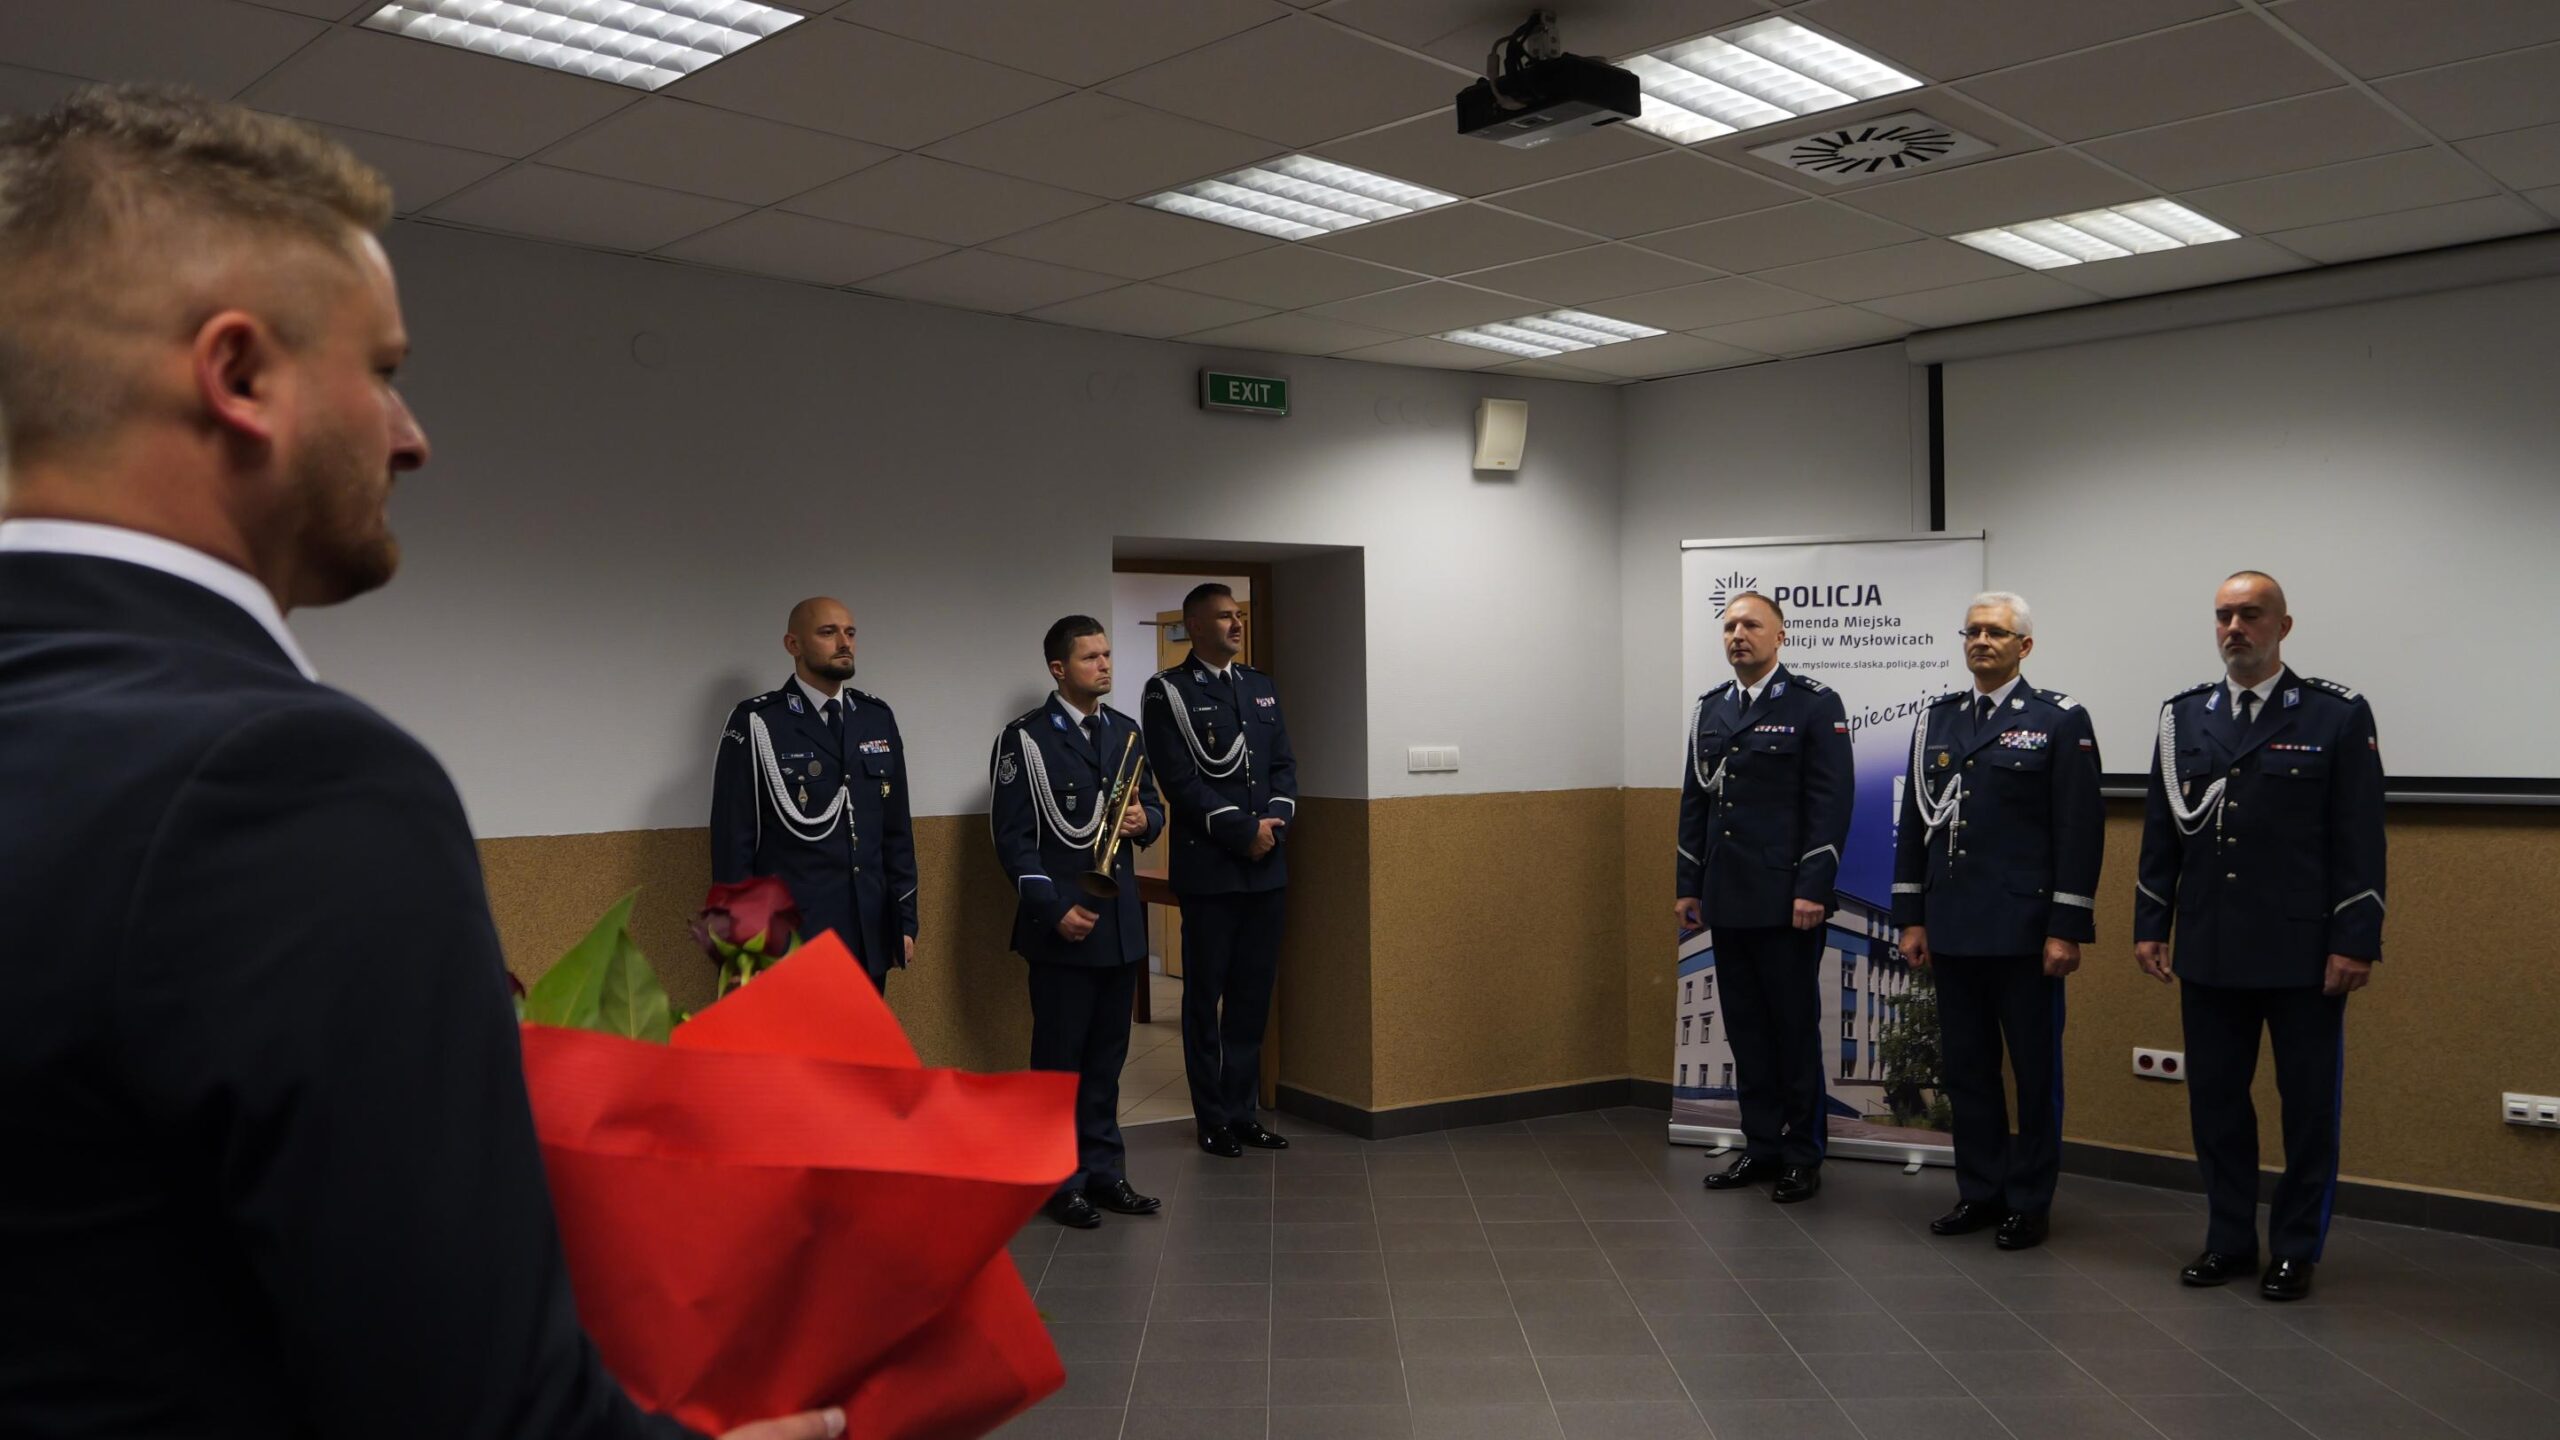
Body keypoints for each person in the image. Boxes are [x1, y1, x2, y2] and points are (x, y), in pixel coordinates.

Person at [0, 86, 836, 1439]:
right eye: (382, 370)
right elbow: (472, 1405)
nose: (411, 435)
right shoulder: (289, 784)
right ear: (239, 376)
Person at [2136, 570, 2384, 1302]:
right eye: (2224, 616)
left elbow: (2360, 838)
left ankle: (2296, 1247)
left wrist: (2355, 939)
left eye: (2250, 614)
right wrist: (2152, 922)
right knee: (2216, 1104)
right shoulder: (2183, 716)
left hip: (2303, 951)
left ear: (2283, 626)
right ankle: (2230, 1240)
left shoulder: (2336, 714)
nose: (2234, 628)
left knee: (2307, 1108)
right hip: (2210, 945)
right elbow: (2161, 831)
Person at [1893, 592, 2102, 1251]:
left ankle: (2030, 1201)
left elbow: (2079, 830)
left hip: (2024, 932)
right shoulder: (1937, 720)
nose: (1981, 641)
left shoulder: (2058, 719)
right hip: (1953, 925)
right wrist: (1912, 917)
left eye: (1996, 632)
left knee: (2035, 1074)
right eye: (1973, 631)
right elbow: (1915, 827)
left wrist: (2066, 927)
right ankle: (1980, 1191)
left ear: (2024, 646)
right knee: (1968, 1070)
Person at [988, 616, 1167, 1228]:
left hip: (1116, 927)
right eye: (1091, 657)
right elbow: (1013, 841)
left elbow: (1152, 806)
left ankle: (1105, 1172)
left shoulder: (1125, 732)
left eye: (1107, 654)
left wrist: (1148, 822)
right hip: (1062, 926)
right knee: (1060, 1062)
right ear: (1059, 669)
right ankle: (1058, 1181)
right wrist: (1053, 909)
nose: (1105, 665)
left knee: (1107, 1061)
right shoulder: (1026, 739)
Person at [1675, 590, 1853, 1204]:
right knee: (1746, 1031)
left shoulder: (1814, 704)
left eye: (1751, 624)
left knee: (1793, 1032)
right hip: (1727, 897)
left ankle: (1803, 1154)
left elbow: (1831, 802)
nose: (1737, 635)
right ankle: (1761, 1145)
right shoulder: (1711, 709)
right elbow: (1695, 802)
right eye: (1729, 626)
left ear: (1780, 636)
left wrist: (1812, 888)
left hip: (1786, 901)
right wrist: (1688, 886)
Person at [1140, 583, 1296, 1158]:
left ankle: (1242, 1111)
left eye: (1238, 616)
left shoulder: (1258, 686)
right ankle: (1212, 1119)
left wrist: (1273, 824)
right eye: (1224, 617)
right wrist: (1242, 831)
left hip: (1266, 869)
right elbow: (1180, 780)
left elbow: (1283, 766)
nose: (1236, 625)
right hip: (1211, 871)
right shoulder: (1168, 692)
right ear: (1196, 626)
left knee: (1252, 996)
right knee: (1204, 999)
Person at [709, 597, 917, 991]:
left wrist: (904, 921)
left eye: (850, 633)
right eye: (828, 632)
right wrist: (743, 947)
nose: (844, 642)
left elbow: (896, 834)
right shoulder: (759, 722)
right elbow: (734, 845)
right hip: (793, 940)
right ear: (794, 645)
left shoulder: (875, 718)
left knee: (865, 1034)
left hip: (869, 933)